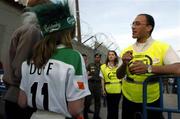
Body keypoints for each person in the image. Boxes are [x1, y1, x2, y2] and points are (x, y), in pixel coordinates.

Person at [17, 1, 90, 119]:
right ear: (69, 32)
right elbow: (75, 109)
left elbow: (22, 102)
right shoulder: (73, 57)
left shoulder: (29, 60)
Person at [116, 13, 180, 119]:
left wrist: (149, 68)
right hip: (128, 100)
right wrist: (124, 64)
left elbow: (178, 69)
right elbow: (119, 75)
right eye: (132, 24)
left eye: (137, 24)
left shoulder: (163, 47)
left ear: (149, 27)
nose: (133, 27)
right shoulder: (126, 50)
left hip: (152, 100)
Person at [2, 0, 48, 118]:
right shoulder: (33, 31)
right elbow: (21, 69)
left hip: (16, 95)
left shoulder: (28, 29)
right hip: (20, 97)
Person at [100, 50, 121, 119]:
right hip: (108, 90)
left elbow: (123, 78)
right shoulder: (103, 67)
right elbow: (102, 79)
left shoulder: (119, 66)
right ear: (107, 56)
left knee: (115, 109)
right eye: (109, 54)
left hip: (118, 90)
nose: (111, 56)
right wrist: (103, 90)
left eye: (113, 54)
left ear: (115, 56)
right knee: (110, 109)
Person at [84, 53, 102, 119]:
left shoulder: (102, 66)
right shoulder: (90, 65)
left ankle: (96, 116)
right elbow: (85, 73)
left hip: (98, 85)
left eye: (98, 57)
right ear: (94, 58)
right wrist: (87, 76)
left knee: (98, 101)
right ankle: (85, 115)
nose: (97, 58)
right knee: (88, 100)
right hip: (90, 84)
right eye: (96, 57)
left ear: (100, 58)